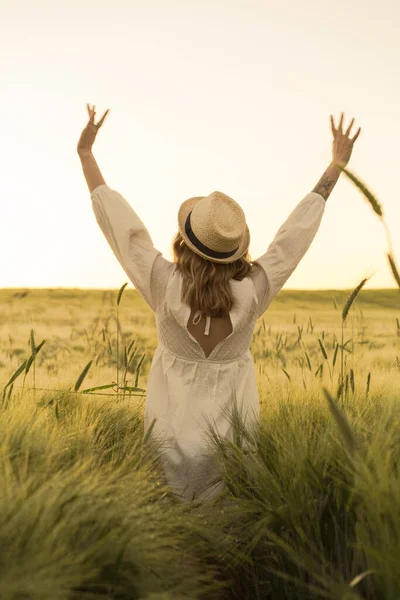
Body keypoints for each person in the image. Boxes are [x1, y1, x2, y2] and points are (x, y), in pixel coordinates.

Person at [77, 106, 361, 502]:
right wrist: (335, 166)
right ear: (235, 249)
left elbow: (123, 230)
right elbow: (292, 240)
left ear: (185, 241)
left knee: (172, 534)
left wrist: (86, 155)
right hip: (232, 451)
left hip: (168, 446)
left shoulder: (162, 283)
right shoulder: (255, 290)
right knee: (229, 530)